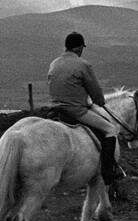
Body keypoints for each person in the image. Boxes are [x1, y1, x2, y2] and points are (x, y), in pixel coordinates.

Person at [47, 32, 119, 183]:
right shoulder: (83, 65)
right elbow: (97, 95)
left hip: (54, 109)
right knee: (111, 130)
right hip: (76, 111)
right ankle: (108, 173)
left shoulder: (54, 63)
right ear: (79, 48)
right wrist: (99, 102)